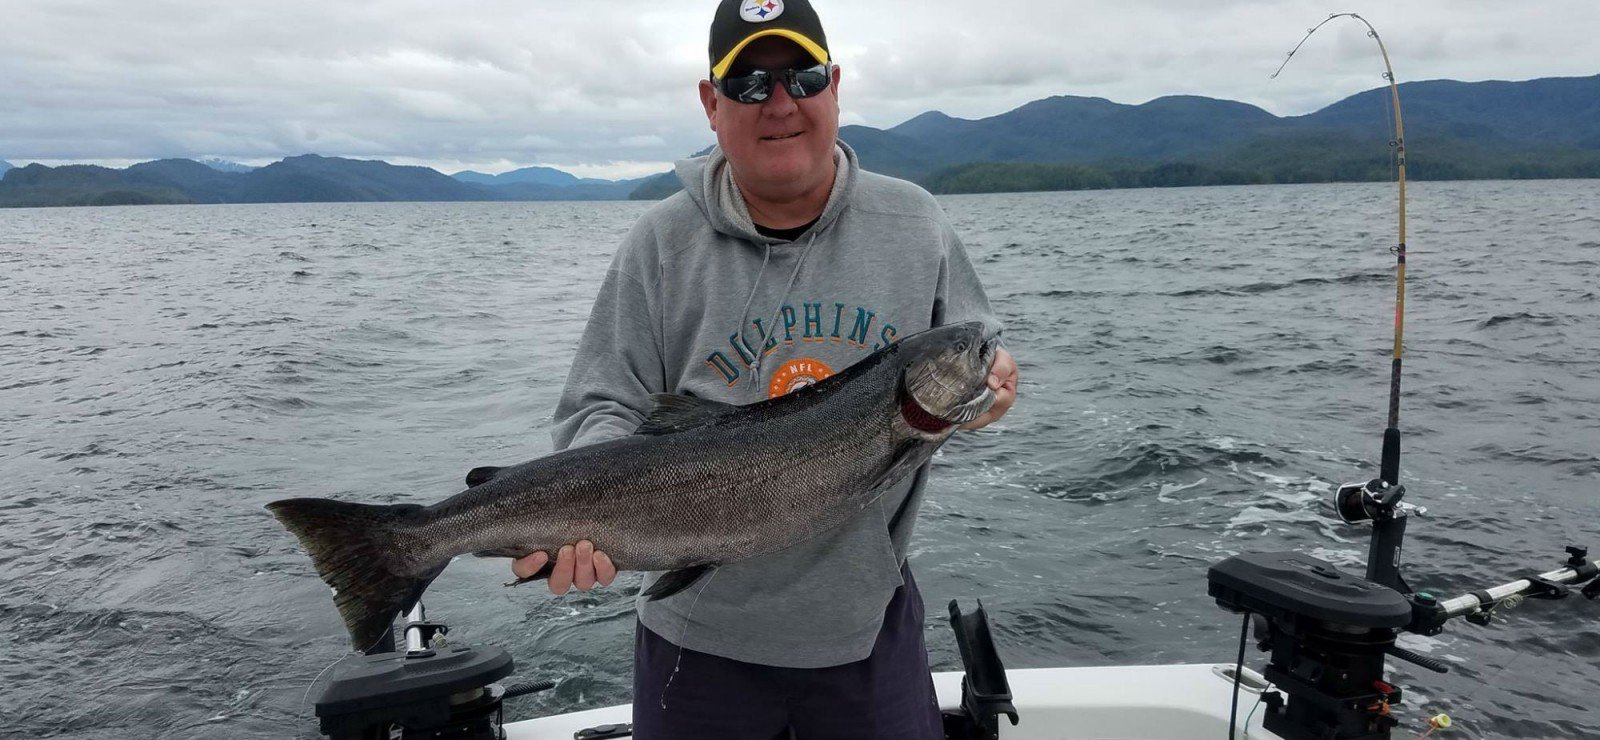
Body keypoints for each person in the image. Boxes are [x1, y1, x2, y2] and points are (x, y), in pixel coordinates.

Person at [512, 1, 1018, 736]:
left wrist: (992, 389)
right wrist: (590, 508)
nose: (780, 103)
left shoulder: (917, 224)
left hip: (866, 631)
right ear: (711, 105)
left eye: (802, 77)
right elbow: (601, 404)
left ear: (835, 86)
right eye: (749, 84)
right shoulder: (661, 243)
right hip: (695, 644)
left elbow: (980, 356)